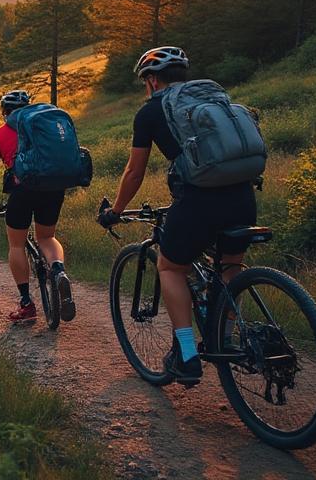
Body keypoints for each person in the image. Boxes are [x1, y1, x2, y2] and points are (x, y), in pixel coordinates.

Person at [98, 46, 256, 385]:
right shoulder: (212, 99)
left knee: (170, 267)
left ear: (152, 80)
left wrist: (116, 211)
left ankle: (186, 355)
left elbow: (134, 173)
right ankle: (225, 340)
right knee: (229, 268)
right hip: (243, 195)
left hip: (199, 201)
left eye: (145, 81)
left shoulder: (151, 112)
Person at [0, 91, 75, 323]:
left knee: (16, 244)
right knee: (47, 237)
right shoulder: (43, 127)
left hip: (22, 190)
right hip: (53, 186)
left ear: (5, 113)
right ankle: (59, 270)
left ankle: (26, 304)